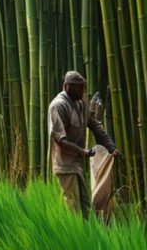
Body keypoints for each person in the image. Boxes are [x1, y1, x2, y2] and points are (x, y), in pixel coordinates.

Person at [48, 71, 119, 218]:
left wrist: (111, 147)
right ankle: (70, 238)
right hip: (64, 165)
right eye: (79, 88)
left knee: (85, 207)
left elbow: (95, 126)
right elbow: (60, 140)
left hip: (77, 164)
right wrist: (83, 151)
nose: (83, 91)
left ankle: (85, 236)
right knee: (72, 207)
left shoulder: (81, 103)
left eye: (83, 87)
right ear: (68, 87)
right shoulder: (58, 106)